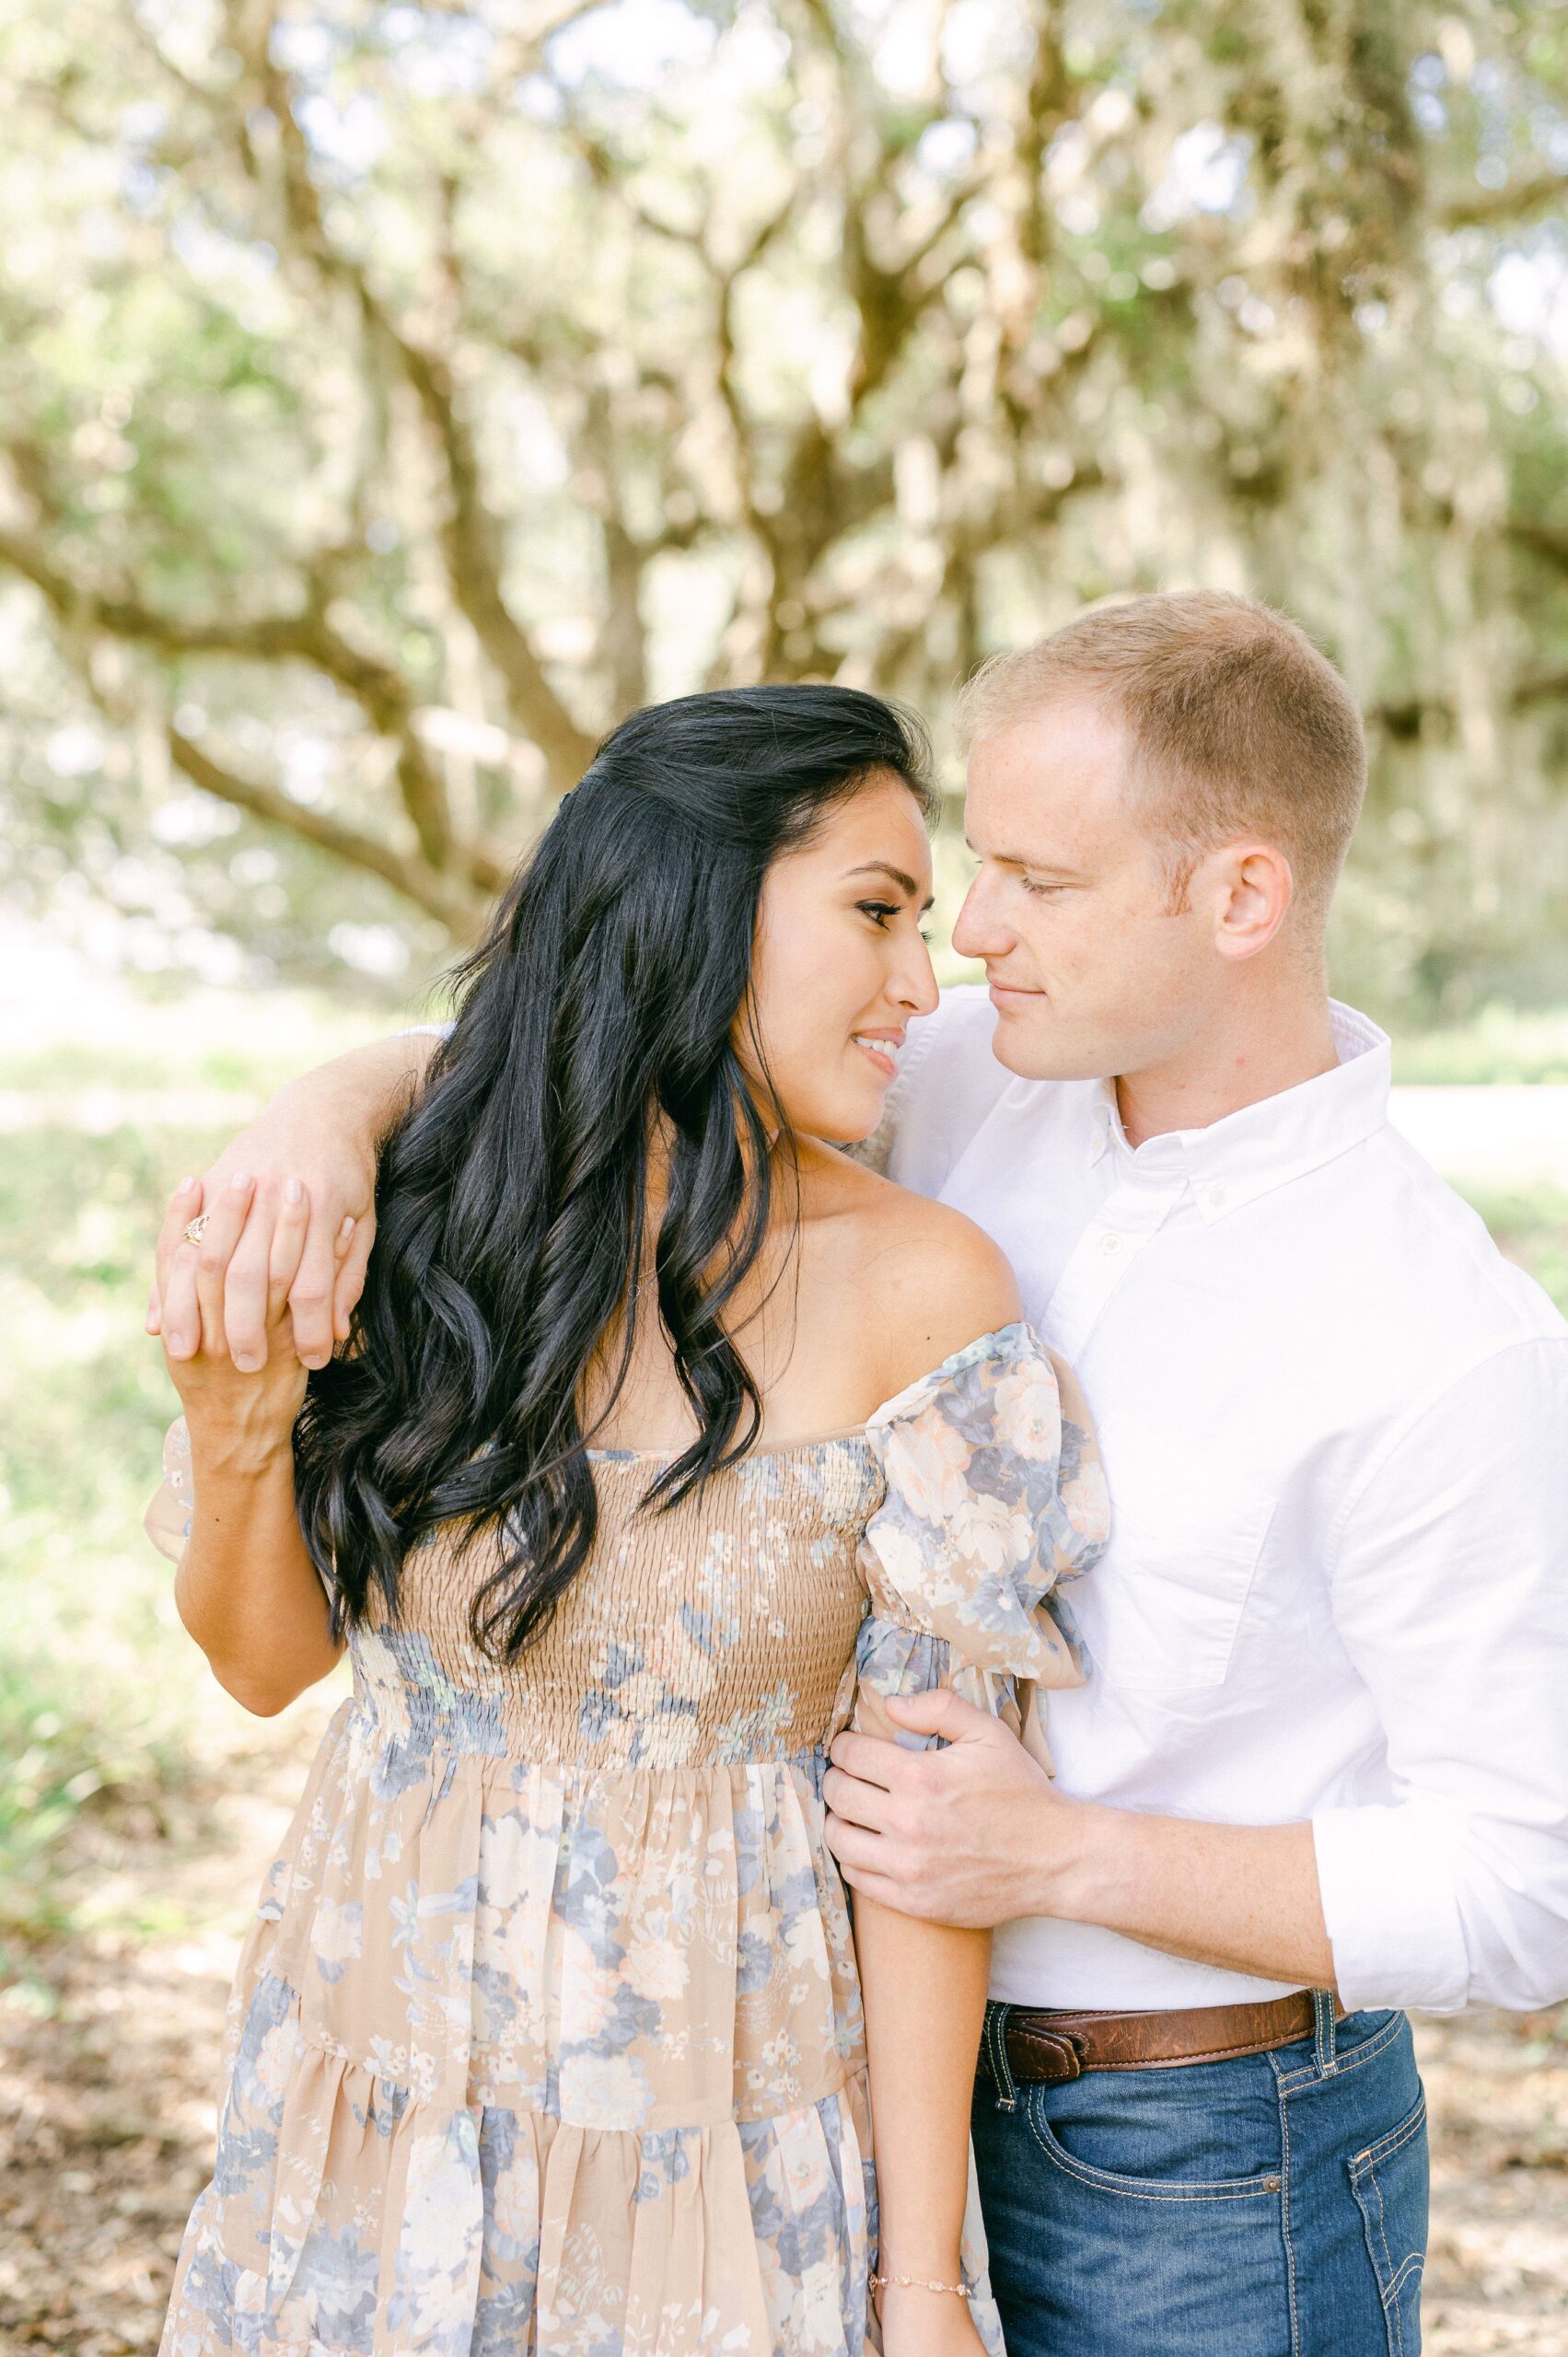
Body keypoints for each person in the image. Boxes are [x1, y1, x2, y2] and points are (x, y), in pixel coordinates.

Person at [154, 592, 1568, 2357]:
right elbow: (608, 1059)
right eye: (943, 885)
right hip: (796, 2060)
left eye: (1035, 886)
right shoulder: (971, 1078)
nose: (968, 940)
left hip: (1190, 2143)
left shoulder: (1438, 1343)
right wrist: (325, 1109)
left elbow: (1530, 1885)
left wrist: (1059, 1855)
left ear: (1240, 898)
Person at [143, 683, 1109, 2357]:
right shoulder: (417, 1217)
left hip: (723, 2148)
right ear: (688, 900)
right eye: (875, 912)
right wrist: (238, 1447)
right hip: (381, 2091)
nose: (920, 985)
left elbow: (927, 1832)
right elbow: (259, 1666)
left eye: (923, 927)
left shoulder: (924, 1289)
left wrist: (921, 2284)